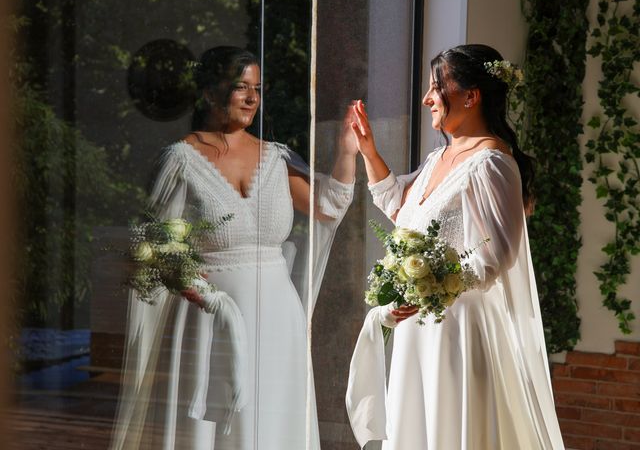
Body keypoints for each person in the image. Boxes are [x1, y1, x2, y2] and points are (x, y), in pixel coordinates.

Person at [110, 46, 357, 449]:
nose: (251, 98)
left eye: (257, 89)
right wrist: (197, 290)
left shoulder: (277, 158)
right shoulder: (179, 160)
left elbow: (328, 206)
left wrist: (347, 150)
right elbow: (152, 246)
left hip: (278, 320)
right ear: (209, 93)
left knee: (273, 426)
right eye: (240, 87)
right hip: (208, 319)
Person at [345, 44, 565, 449]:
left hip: (460, 333)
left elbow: (498, 256)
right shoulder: (439, 158)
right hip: (421, 328)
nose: (428, 98)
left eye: (435, 87)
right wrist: (369, 152)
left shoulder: (493, 164)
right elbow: (400, 207)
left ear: (470, 95)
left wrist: (428, 285)